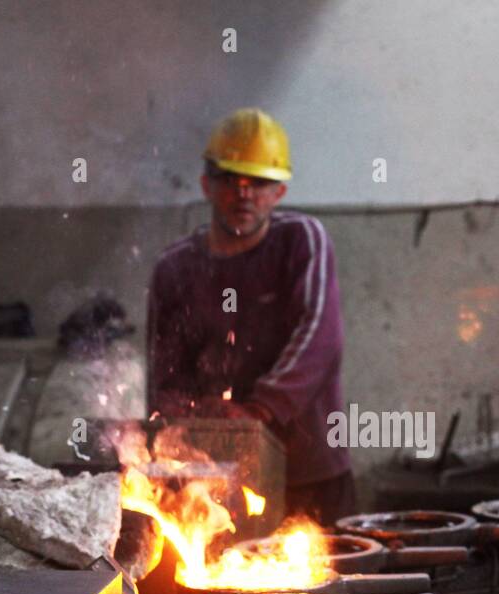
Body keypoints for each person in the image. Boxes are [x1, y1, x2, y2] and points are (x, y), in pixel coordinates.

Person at [147, 108, 356, 525]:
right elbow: (165, 375)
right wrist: (185, 420)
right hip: (216, 483)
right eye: (231, 180)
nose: (245, 194)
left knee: (328, 579)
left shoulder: (301, 241)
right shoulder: (175, 268)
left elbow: (320, 337)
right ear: (207, 185)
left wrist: (259, 408)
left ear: (278, 193)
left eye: (259, 183)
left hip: (308, 470)